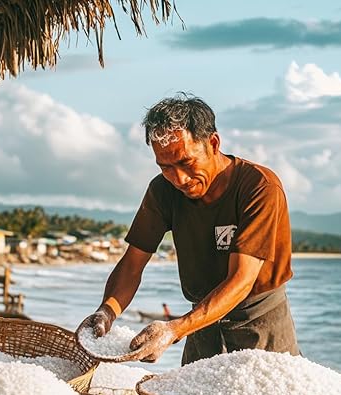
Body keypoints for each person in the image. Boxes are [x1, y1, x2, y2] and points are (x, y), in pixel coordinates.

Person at [76, 94, 299, 364]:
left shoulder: (259, 187)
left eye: (186, 162)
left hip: (260, 323)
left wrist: (174, 329)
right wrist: (106, 312)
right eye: (166, 167)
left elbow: (241, 281)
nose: (179, 179)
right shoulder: (162, 191)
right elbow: (133, 263)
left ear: (213, 143)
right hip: (201, 324)